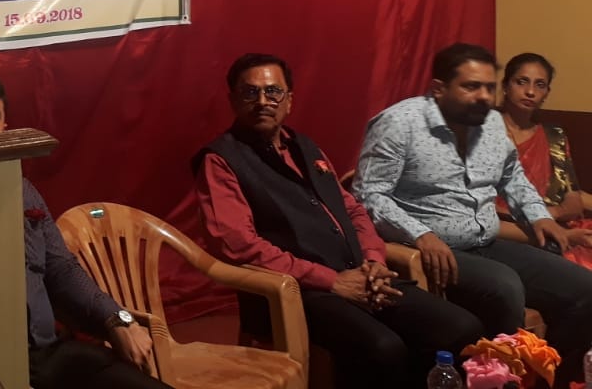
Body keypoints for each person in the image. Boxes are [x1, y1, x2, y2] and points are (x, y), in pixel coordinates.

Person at [193, 54, 483, 389]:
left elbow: (353, 210)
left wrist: (374, 262)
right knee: (382, 349)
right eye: (250, 92)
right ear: (232, 100)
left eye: (273, 92)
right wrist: (332, 281)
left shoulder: (304, 147)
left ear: (289, 100)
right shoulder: (221, 160)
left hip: (360, 275)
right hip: (295, 292)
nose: (262, 101)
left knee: (460, 327)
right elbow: (238, 246)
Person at [355, 43, 592, 387]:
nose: (483, 96)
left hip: (486, 241)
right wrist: (420, 234)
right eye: (471, 86)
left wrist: (539, 216)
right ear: (439, 89)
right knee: (503, 286)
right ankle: (493, 381)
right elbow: (369, 195)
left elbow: (512, 177)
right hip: (431, 247)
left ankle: (544, 378)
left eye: (489, 87)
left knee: (585, 288)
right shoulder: (400, 123)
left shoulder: (491, 123)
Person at [0, 70, 173, 389]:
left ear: (4, 128)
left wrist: (118, 317)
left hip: (47, 354)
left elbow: (61, 268)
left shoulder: (23, 191)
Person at [496, 52, 592, 269]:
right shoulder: (484, 133)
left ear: (547, 93)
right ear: (505, 86)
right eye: (522, 82)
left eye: (540, 85)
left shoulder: (554, 135)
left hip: (561, 224)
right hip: (512, 228)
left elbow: (573, 198)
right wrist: (555, 212)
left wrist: (563, 210)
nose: (530, 91)